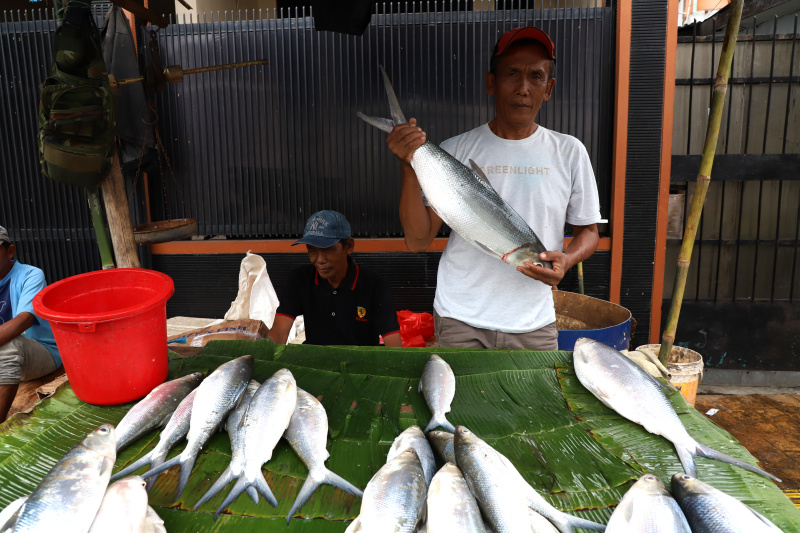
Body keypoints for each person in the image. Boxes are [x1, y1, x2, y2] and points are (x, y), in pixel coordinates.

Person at [386, 26, 601, 350]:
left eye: (536, 77)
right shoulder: (454, 149)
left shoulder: (569, 152)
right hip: (459, 319)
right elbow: (418, 240)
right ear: (491, 82)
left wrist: (567, 261)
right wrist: (409, 165)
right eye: (512, 74)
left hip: (534, 322)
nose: (523, 88)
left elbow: (590, 231)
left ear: (549, 88)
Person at [268, 210, 402, 347]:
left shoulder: (375, 285)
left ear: (349, 246)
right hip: (316, 363)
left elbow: (393, 344)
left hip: (361, 366)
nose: (319, 260)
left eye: (327, 249)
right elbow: (280, 331)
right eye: (311, 249)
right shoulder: (300, 279)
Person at [0, 227, 62, 422]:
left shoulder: (31, 275)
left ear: (10, 251)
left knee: (11, 343)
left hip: (43, 353)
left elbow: (24, 320)